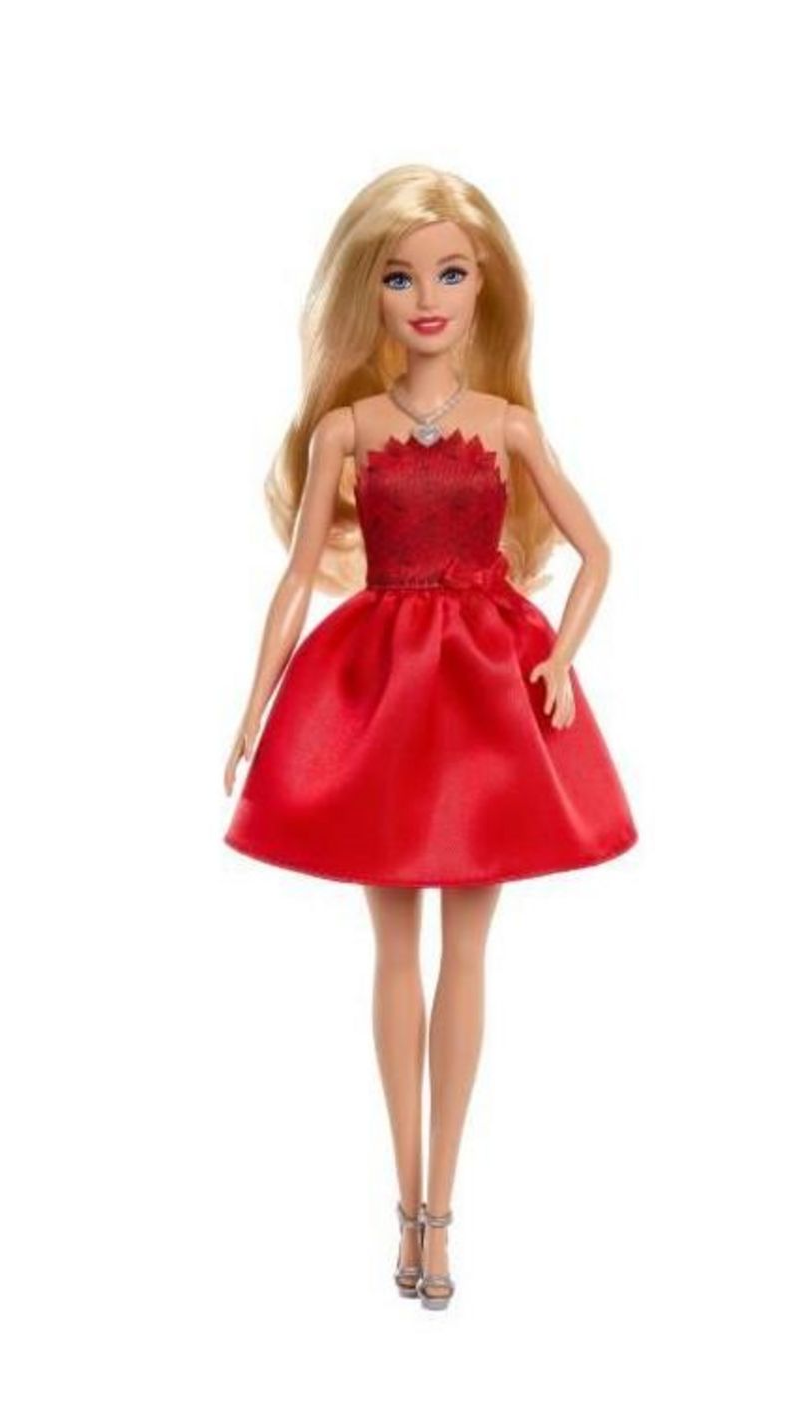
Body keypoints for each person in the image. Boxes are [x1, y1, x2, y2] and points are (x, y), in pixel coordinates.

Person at [222, 165, 638, 1309]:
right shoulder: (347, 431)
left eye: (449, 274)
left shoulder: (509, 425)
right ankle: (402, 1206)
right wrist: (255, 704)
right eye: (400, 278)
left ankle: (439, 1220)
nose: (427, 299)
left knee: (469, 952)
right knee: (394, 952)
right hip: (382, 696)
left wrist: (560, 656)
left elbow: (599, 554)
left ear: (484, 281)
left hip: (488, 694)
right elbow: (296, 579)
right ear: (369, 292)